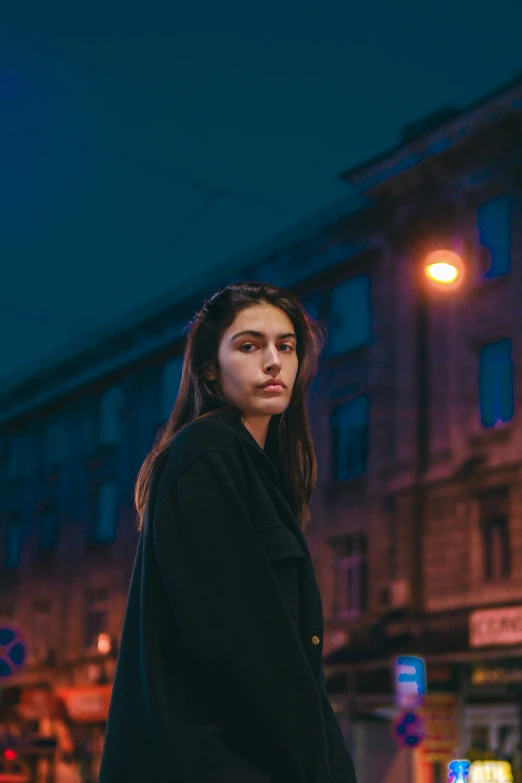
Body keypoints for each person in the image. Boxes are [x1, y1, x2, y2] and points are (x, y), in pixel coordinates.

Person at [99, 280, 358, 783]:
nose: (273, 361)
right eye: (249, 345)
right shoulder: (207, 452)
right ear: (210, 371)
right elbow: (235, 644)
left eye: (286, 346)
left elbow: (294, 664)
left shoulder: (257, 469)